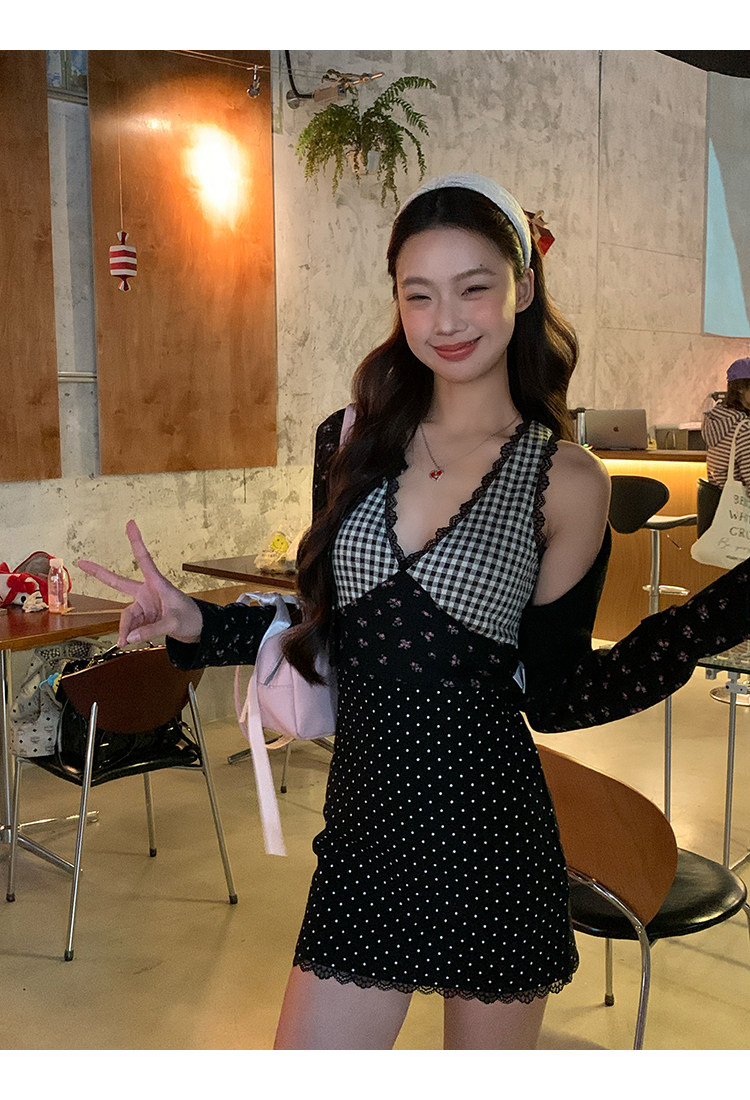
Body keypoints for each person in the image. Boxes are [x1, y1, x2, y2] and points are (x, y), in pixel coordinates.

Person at [78, 173, 750, 1050]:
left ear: (523, 287)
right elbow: (329, 626)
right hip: (364, 840)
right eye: (419, 293)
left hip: (492, 845)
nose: (447, 320)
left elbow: (559, 696)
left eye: (474, 287)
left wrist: (722, 610)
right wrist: (200, 624)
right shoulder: (350, 439)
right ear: (397, 300)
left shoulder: (564, 479)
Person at [703, 356, 750, 492]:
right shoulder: (743, 429)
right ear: (741, 388)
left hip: (722, 502)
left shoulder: (720, 421)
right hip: (741, 505)